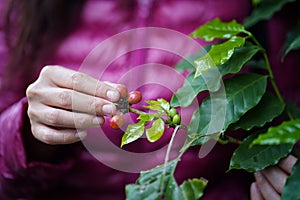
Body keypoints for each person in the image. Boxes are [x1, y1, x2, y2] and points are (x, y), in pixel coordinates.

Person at [0, 0, 299, 199]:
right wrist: (27, 133)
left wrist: (288, 182)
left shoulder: (265, 9)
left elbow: (289, 126)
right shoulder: (22, 8)